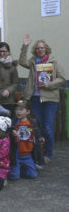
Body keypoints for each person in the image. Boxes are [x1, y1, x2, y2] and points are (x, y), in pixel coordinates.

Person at [18, 34, 65, 162]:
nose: (40, 50)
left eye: (42, 48)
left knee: (48, 127)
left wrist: (49, 84)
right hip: (35, 98)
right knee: (38, 127)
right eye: (38, 48)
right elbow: (21, 61)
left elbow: (62, 78)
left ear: (46, 49)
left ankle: (48, 154)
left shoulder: (53, 62)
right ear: (35, 50)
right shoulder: (33, 62)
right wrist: (25, 46)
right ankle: (39, 152)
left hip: (50, 99)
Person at [8, 100, 44, 180]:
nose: (18, 111)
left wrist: (40, 137)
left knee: (33, 175)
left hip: (27, 154)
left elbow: (37, 136)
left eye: (21, 109)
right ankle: (14, 169)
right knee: (14, 177)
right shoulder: (13, 122)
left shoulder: (32, 122)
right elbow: (7, 133)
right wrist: (12, 132)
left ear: (28, 112)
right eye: (17, 109)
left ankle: (22, 168)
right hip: (16, 154)